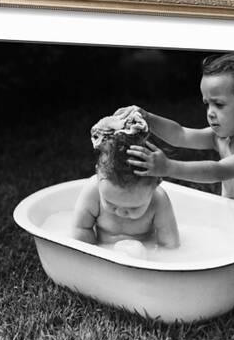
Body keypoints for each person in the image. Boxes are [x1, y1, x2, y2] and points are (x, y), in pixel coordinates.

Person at [117, 53, 234, 260]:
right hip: (231, 221)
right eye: (207, 104)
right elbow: (180, 134)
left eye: (218, 105)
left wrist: (168, 167)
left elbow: (217, 171)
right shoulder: (220, 138)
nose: (210, 112)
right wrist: (146, 116)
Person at [71, 110, 180, 257]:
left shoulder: (159, 200)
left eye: (134, 207)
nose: (121, 212)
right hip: (102, 253)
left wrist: (152, 259)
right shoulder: (93, 191)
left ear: (156, 183)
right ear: (98, 176)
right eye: (110, 203)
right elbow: (81, 229)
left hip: (144, 256)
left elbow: (170, 245)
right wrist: (96, 255)